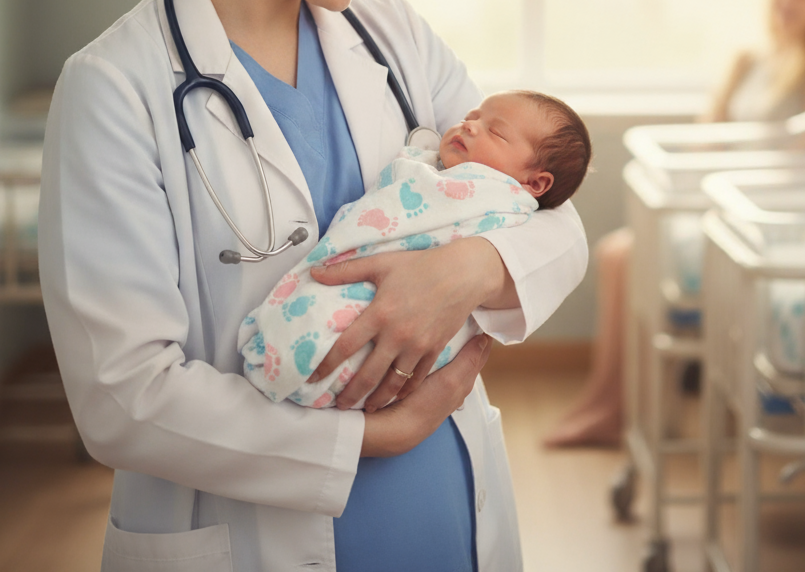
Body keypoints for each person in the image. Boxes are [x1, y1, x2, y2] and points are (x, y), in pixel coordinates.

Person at [38, 0, 588, 572]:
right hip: (254, 534)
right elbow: (123, 397)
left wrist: (468, 269)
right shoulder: (116, 88)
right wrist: (367, 437)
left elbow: (548, 212)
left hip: (448, 516)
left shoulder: (395, 42)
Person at [544, 0, 805, 448]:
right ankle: (609, 402)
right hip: (719, 198)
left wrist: (726, 179)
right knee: (613, 255)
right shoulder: (752, 60)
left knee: (625, 255)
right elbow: (708, 137)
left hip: (768, 213)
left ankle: (625, 409)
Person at [241, 91, 592, 409]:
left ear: (534, 184)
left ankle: (303, 364)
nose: (470, 126)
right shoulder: (438, 164)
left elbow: (564, 234)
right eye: (472, 116)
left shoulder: (505, 202)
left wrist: (472, 265)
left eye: (495, 132)